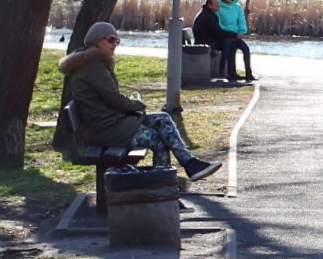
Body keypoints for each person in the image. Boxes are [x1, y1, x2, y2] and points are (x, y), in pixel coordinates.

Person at [59, 22, 223, 181]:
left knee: (163, 119)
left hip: (110, 124)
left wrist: (134, 107)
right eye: (110, 39)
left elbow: (110, 98)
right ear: (96, 41)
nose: (114, 44)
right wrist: (138, 106)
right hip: (105, 130)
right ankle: (164, 186)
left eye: (117, 40)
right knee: (157, 139)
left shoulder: (93, 64)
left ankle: (187, 165)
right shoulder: (93, 67)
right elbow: (114, 99)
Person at [215, 0, 255, 82]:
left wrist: (241, 32)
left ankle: (248, 73)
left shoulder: (237, 7)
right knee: (231, 51)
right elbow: (220, 24)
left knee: (246, 49)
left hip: (237, 35)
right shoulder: (219, 9)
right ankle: (231, 74)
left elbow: (241, 21)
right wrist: (230, 35)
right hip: (227, 36)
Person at [191, 0, 227, 79]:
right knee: (228, 43)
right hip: (204, 42)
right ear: (210, 5)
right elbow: (217, 32)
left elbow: (216, 32)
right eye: (216, 4)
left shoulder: (207, 13)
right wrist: (233, 35)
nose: (218, 5)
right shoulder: (208, 16)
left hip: (206, 40)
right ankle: (221, 71)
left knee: (228, 42)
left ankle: (225, 71)